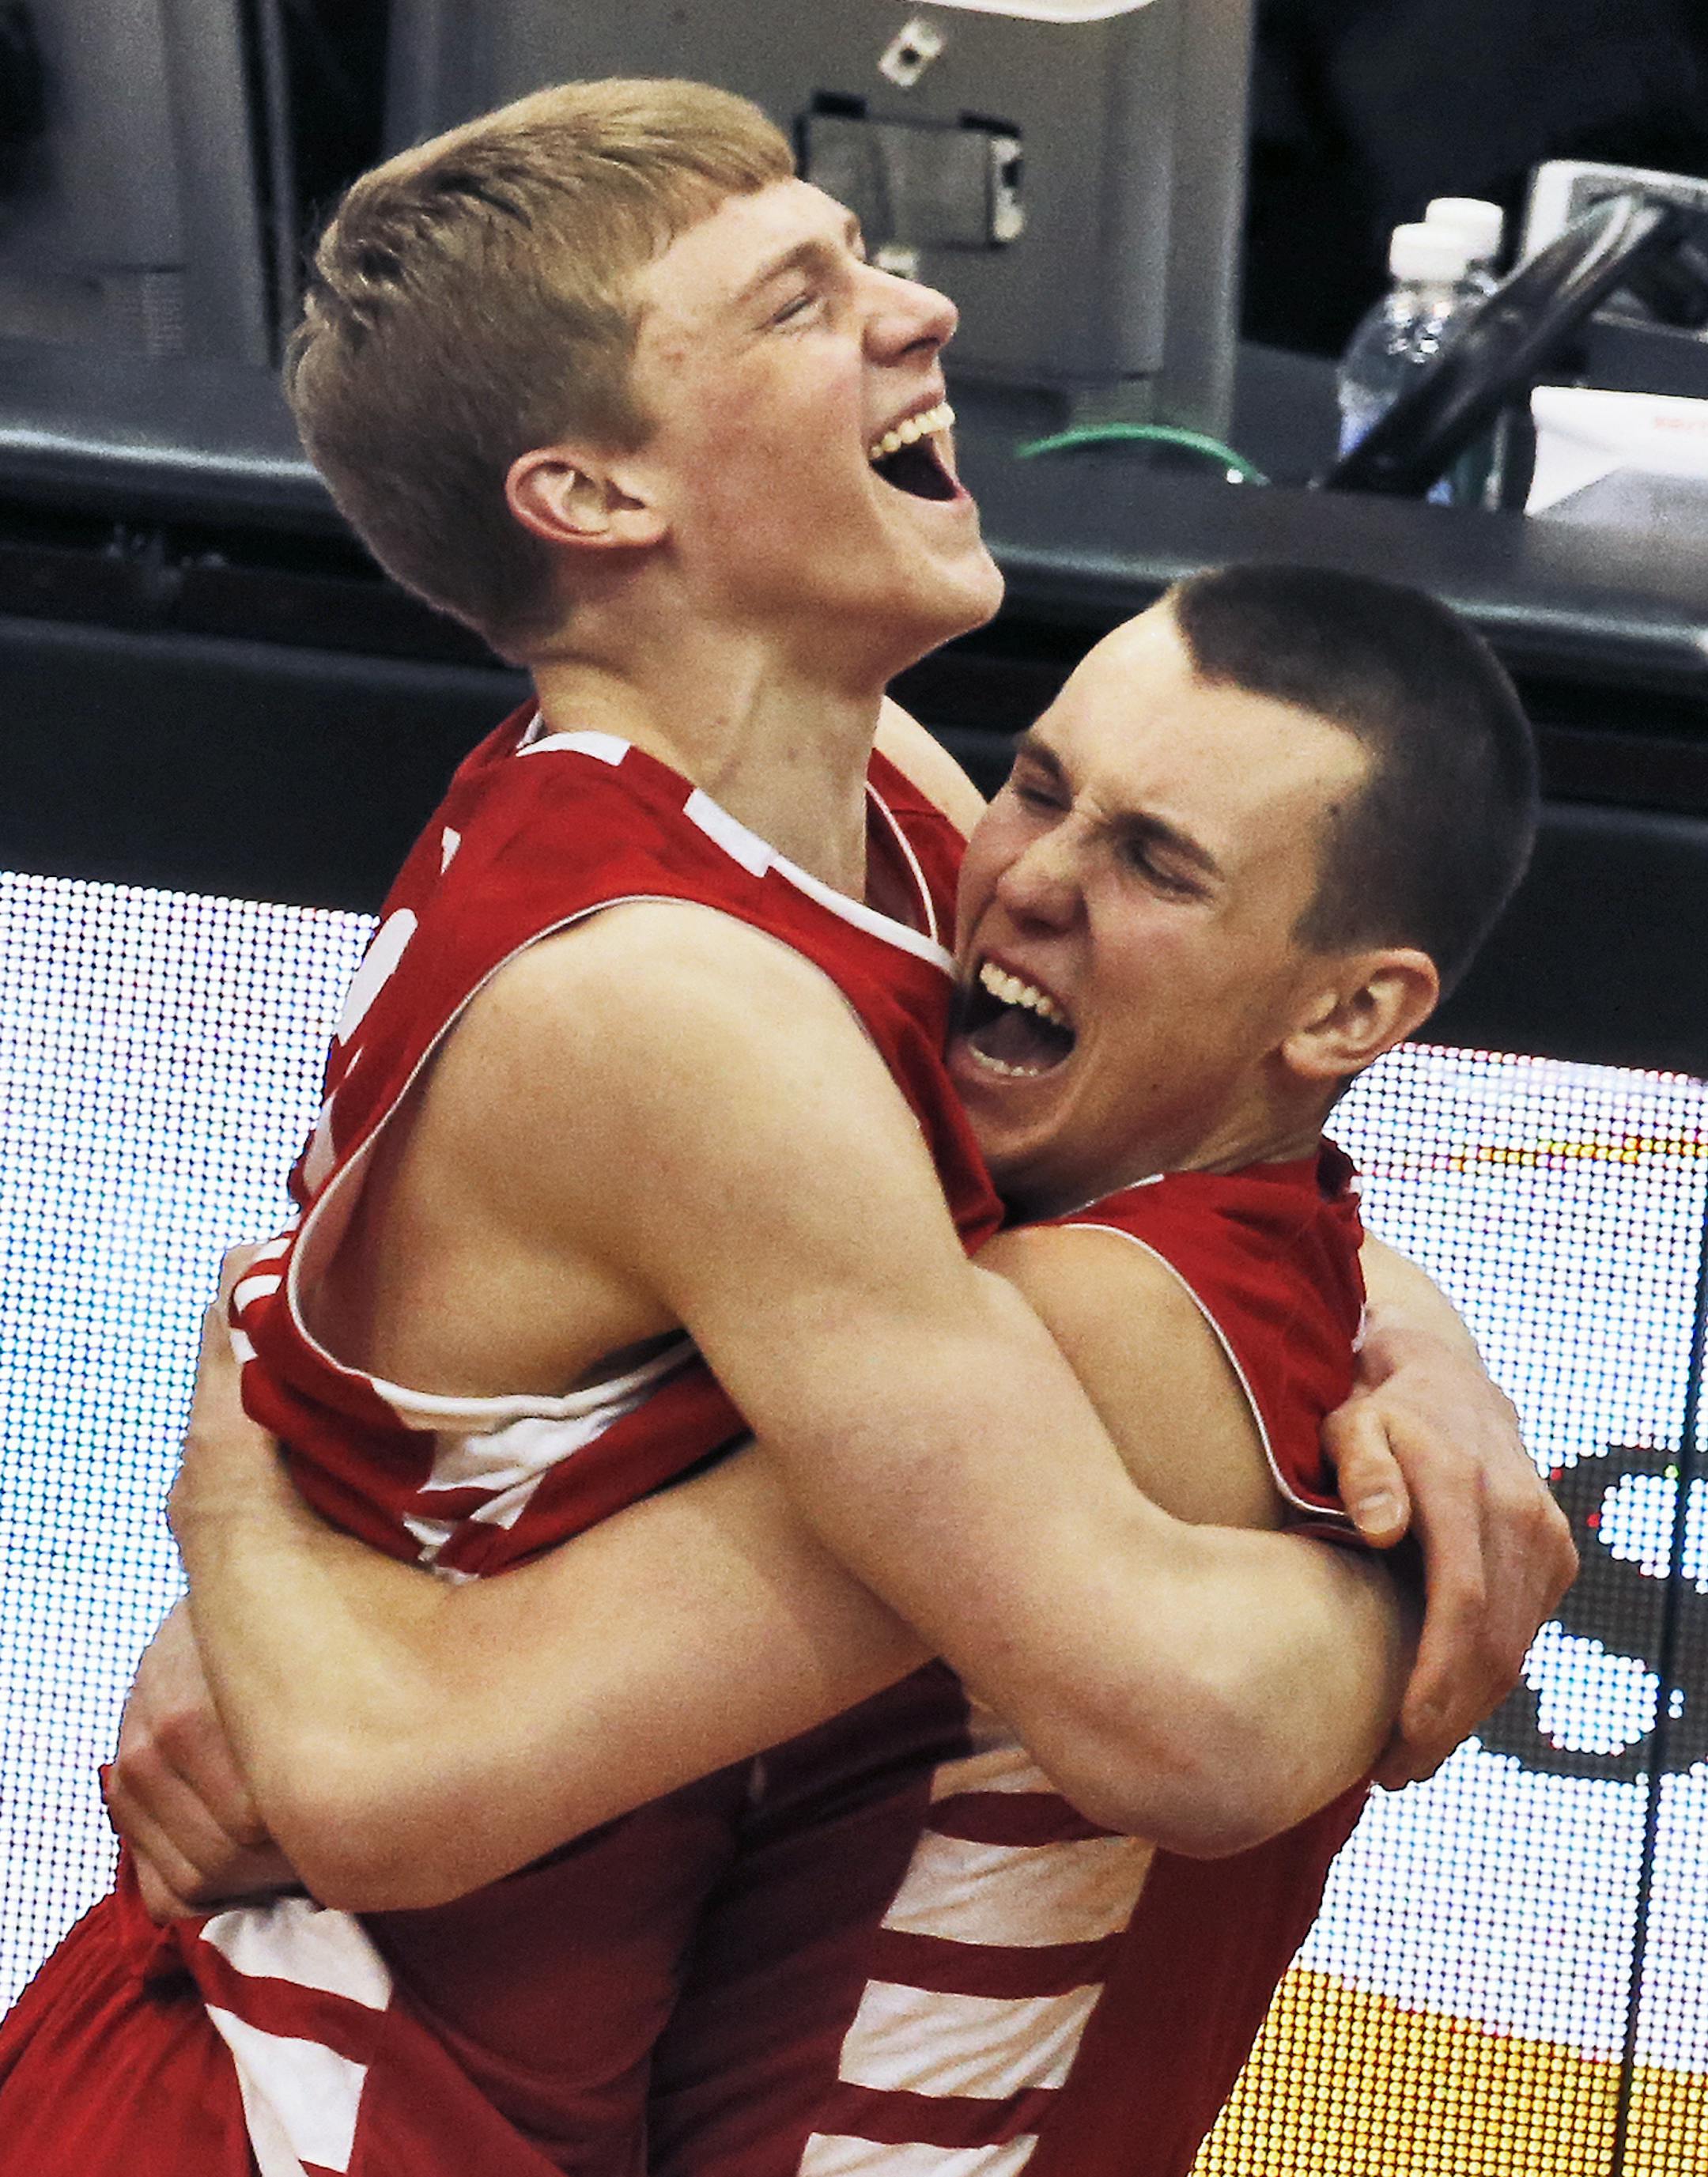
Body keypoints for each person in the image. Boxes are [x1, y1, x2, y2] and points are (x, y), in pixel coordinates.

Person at [0, 74, 1569, 2175]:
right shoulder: (675, 1004)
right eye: (796, 301)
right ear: (596, 495)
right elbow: (1179, 1709)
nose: (915, 310)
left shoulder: (894, 802)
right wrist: (1406, 1584)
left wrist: (1413, 1337)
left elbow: (1177, 1172)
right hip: (290, 2113)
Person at [143, 563, 1540, 2177]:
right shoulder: (1210, 1245)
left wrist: (236, 1450)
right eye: (1040, 785)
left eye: (1157, 865)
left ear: (1352, 1010)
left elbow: (386, 1774)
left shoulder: (1065, 1329)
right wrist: (1439, 1364)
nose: (1027, 884)